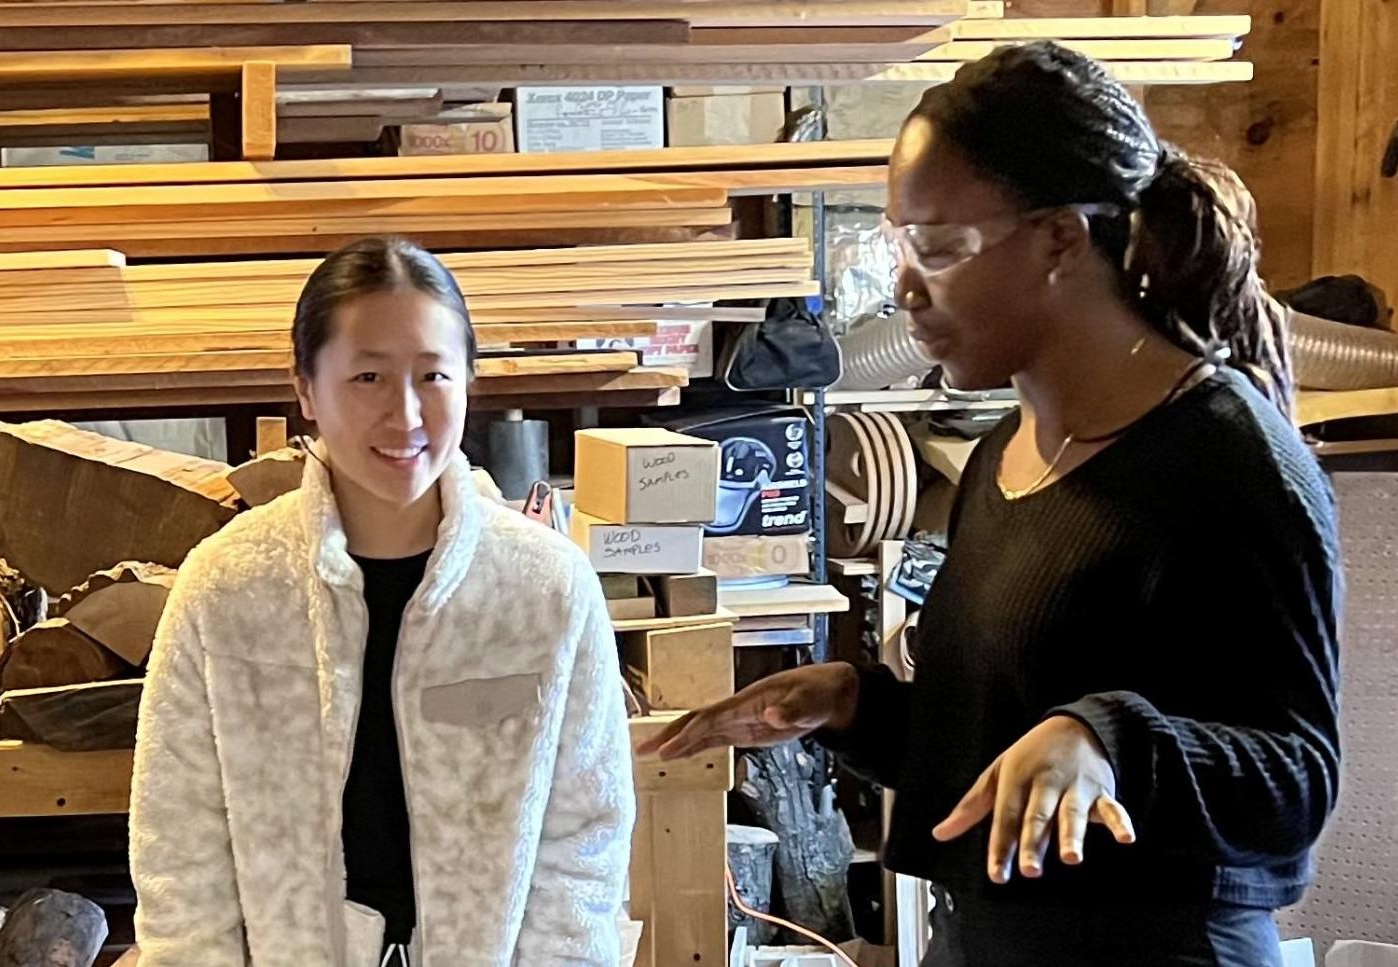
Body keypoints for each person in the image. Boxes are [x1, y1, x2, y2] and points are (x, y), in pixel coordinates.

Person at [644, 42, 1341, 967]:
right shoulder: (1003, 458)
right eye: (901, 246)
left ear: (1058, 237)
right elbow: (1005, 757)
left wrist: (1108, 738)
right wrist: (859, 708)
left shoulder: (1228, 459)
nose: (904, 288)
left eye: (935, 248)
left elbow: (1298, 775)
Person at [130, 237, 634, 967]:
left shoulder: (547, 590)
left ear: (469, 381)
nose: (405, 414)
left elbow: (585, 841)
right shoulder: (227, 589)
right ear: (306, 388)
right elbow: (179, 848)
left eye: (432, 374)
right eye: (367, 376)